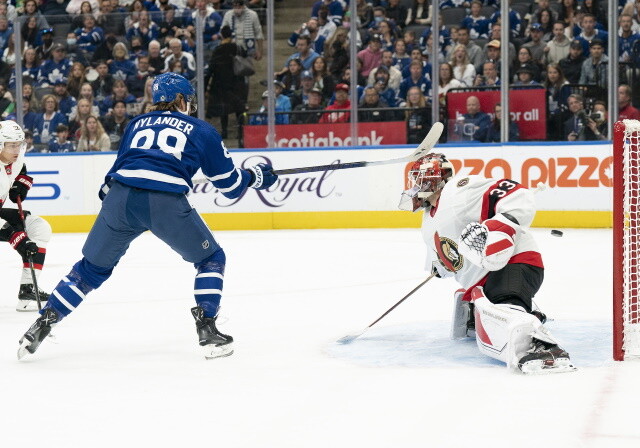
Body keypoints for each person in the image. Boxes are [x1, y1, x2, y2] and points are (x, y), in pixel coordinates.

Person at [17, 73, 278, 360]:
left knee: (90, 270)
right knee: (210, 259)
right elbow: (229, 186)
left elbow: (111, 179)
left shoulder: (135, 123)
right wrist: (255, 177)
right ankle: (208, 330)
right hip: (163, 202)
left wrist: (115, 211)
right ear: (180, 99)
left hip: (119, 198)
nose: (190, 105)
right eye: (188, 99)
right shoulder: (202, 130)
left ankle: (42, 323)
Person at [398, 153, 576, 374]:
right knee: (490, 308)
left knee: (505, 307)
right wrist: (439, 267)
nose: (414, 186)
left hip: (514, 263)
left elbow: (515, 193)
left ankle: (541, 347)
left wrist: (501, 230)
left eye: (419, 178)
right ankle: (526, 314)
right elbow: (446, 258)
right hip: (485, 278)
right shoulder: (428, 220)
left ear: (435, 178)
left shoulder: (459, 190)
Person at [0, 120, 52, 311]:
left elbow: (21, 170)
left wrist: (22, 183)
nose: (16, 149)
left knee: (40, 228)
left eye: (19, 144)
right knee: (20, 237)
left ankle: (28, 289)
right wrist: (18, 239)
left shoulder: (16, 159)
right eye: (11, 145)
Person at [206, 25, 247, 142]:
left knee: (225, 109)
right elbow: (245, 55)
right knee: (239, 107)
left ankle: (224, 131)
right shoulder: (237, 47)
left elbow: (211, 68)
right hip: (238, 82)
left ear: (221, 35)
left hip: (222, 83)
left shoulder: (218, 50)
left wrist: (206, 84)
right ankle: (241, 131)